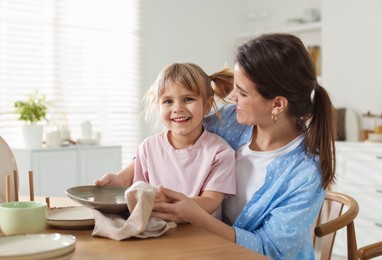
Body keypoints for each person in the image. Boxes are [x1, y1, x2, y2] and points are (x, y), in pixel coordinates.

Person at [150, 33, 337, 259]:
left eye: (243, 92)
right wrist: (126, 173)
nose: (231, 96)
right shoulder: (230, 121)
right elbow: (179, 140)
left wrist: (197, 216)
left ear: (277, 104)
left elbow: (271, 250)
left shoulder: (306, 173)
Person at [96, 62, 236, 218]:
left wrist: (169, 203)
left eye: (188, 99)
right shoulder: (148, 147)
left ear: (207, 105)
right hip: (157, 230)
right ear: (158, 106)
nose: (178, 108)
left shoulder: (220, 152)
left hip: (200, 234)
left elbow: (210, 201)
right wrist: (118, 182)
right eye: (168, 101)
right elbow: (135, 191)